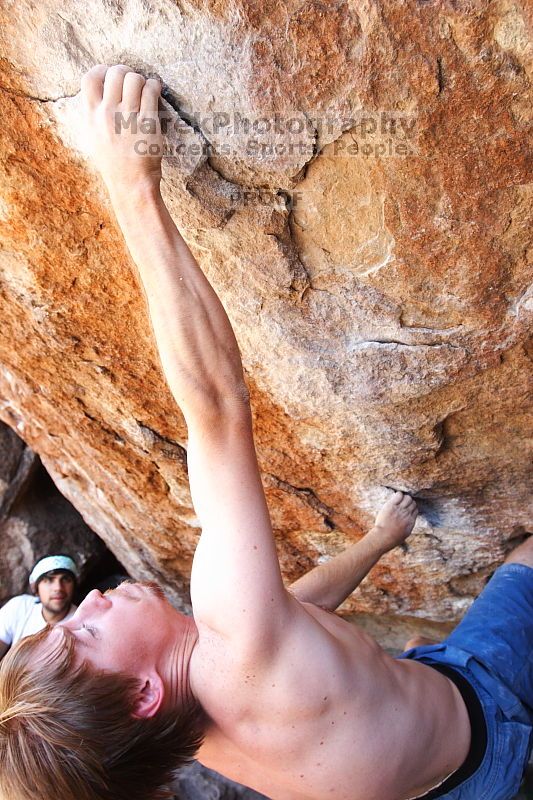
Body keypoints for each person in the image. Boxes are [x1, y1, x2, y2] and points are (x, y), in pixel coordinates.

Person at [0, 64, 531, 800]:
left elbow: (289, 616)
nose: (89, 601)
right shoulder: (236, 637)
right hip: (483, 707)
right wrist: (131, 183)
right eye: (86, 634)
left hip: (453, 784)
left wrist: (376, 543)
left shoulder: (198, 735)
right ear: (143, 694)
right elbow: (216, 406)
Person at [0, 554, 78, 661]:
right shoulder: (20, 607)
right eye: (49, 580)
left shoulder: (81, 623)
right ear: (36, 588)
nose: (58, 588)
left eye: (65, 579)